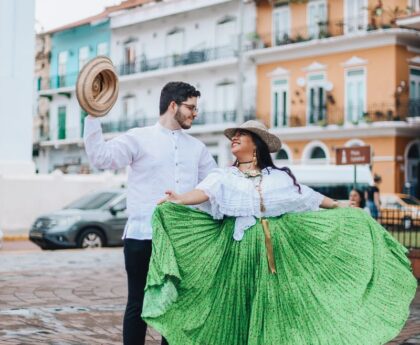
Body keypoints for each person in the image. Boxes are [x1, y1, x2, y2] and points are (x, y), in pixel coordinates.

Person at [141, 121, 416, 345]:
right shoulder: (224, 176)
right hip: (239, 254)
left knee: (278, 304)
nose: (233, 138)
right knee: (239, 304)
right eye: (233, 136)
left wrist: (342, 206)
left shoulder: (279, 178)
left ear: (256, 143)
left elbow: (308, 198)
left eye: (241, 135)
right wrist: (178, 199)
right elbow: (203, 192)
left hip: (279, 253)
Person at [83, 81, 217, 345]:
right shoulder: (138, 138)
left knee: (177, 307)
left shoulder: (198, 148)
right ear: (173, 105)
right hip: (142, 236)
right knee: (138, 304)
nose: (195, 113)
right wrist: (92, 115)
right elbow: (101, 158)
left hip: (182, 240)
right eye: (191, 107)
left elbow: (214, 186)